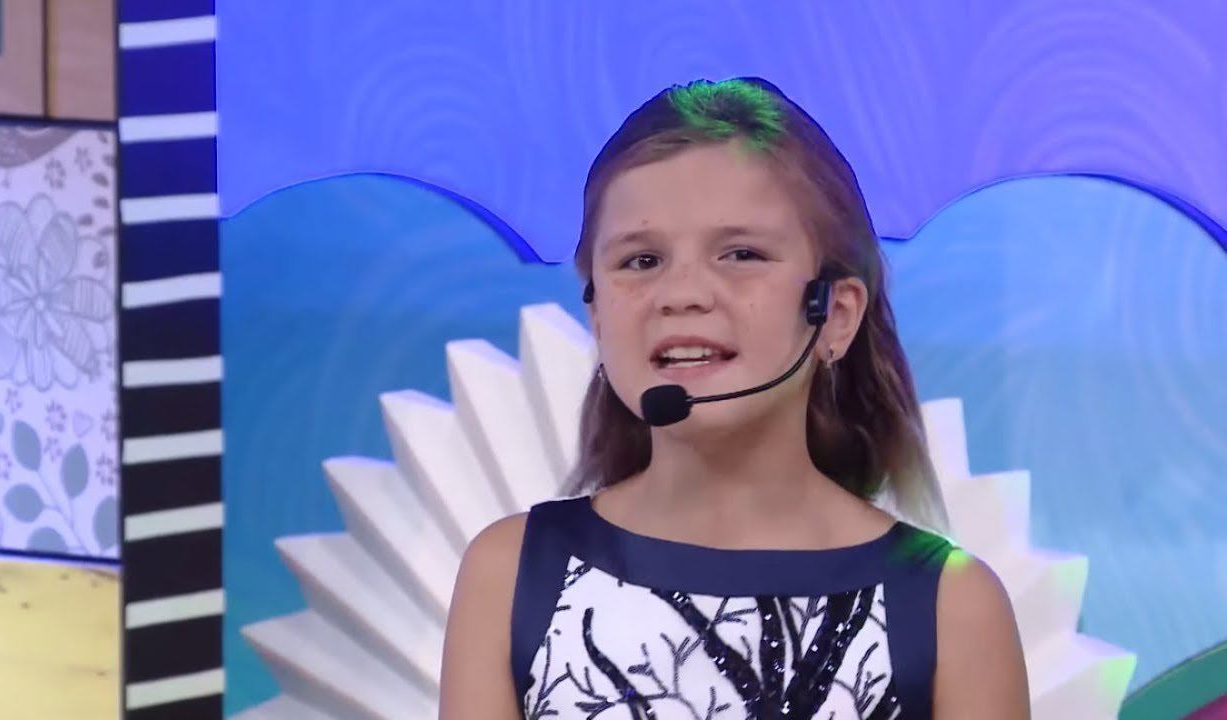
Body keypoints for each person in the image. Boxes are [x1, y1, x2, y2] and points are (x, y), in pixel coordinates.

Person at [440, 77, 1029, 719]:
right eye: (641, 261)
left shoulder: (952, 608)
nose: (682, 294)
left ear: (834, 314)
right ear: (598, 314)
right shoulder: (511, 576)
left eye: (741, 254)